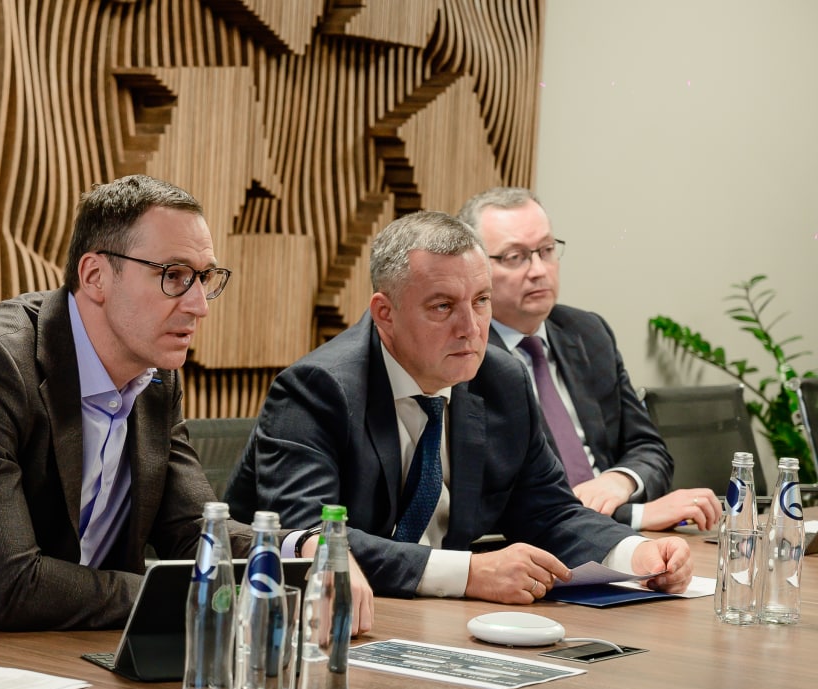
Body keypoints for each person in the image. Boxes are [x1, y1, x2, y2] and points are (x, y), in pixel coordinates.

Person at [0, 174, 374, 631]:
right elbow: (11, 585)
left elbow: (191, 532)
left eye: (205, 278)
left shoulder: (155, 378)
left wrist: (300, 549)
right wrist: (186, 593)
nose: (198, 305)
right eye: (174, 275)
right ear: (95, 277)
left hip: (78, 649)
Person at [224, 211, 692, 603]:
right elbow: (306, 537)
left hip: (439, 620)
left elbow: (551, 512)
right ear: (385, 313)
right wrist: (469, 573)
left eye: (481, 301)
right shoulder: (317, 389)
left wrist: (633, 554)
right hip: (300, 622)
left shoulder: (502, 380)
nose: (471, 327)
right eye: (443, 307)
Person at [458, 187, 721, 531]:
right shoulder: (466, 355)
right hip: (536, 548)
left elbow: (648, 447)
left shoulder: (587, 332)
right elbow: (505, 501)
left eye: (546, 250)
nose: (538, 270)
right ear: (475, 269)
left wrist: (620, 481)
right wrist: (636, 516)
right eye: (515, 257)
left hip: (622, 540)